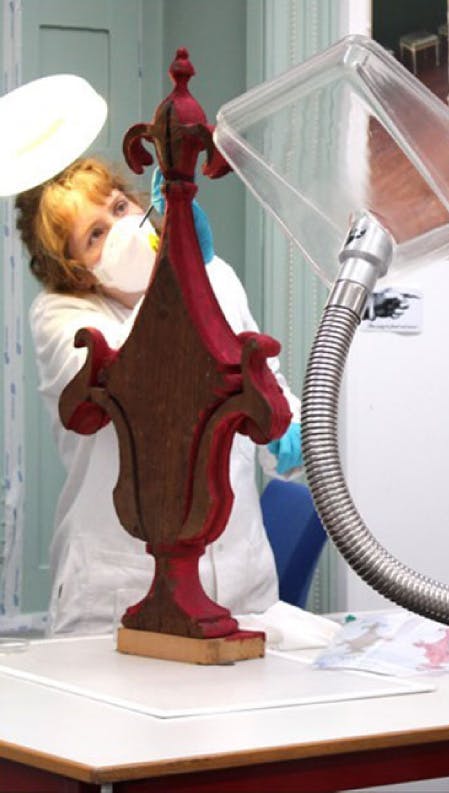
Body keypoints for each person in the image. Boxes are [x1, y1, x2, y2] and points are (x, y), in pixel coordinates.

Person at [15, 156, 303, 635]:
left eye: (121, 207)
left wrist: (284, 427)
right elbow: (133, 376)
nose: (122, 229)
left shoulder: (219, 276)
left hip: (241, 581)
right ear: (76, 272)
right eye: (95, 234)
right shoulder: (60, 315)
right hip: (117, 592)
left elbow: (261, 374)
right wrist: (184, 270)